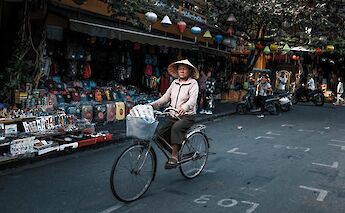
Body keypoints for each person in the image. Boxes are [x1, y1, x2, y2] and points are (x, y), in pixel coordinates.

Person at [150, 59, 199, 169]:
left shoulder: (193, 83)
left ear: (189, 71)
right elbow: (165, 98)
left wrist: (184, 107)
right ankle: (175, 149)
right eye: (180, 68)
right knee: (159, 135)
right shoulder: (174, 83)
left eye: (184, 68)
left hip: (187, 116)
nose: (181, 70)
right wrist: (151, 105)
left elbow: (192, 100)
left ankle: (174, 155)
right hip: (173, 115)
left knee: (176, 128)